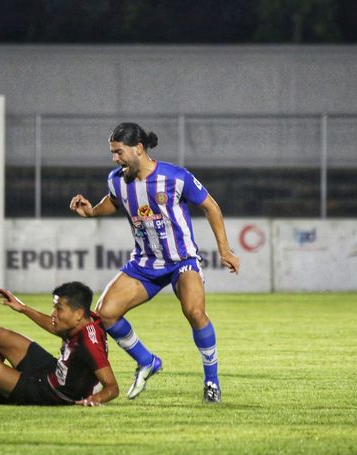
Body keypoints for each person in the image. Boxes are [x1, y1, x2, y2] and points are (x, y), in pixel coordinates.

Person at [69, 122, 240, 403]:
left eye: (119, 152)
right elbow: (113, 202)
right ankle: (147, 361)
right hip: (145, 264)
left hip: (181, 260)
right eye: (112, 153)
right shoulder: (116, 179)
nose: (115, 158)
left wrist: (225, 250)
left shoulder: (175, 177)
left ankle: (211, 381)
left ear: (138, 149)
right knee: (105, 313)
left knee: (195, 312)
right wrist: (92, 212)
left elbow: (210, 205)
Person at [0, 282, 119, 406]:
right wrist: (24, 308)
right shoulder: (87, 319)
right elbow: (54, 327)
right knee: (1, 335)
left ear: (78, 314)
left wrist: (92, 400)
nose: (53, 314)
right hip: (55, 372)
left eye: (59, 309)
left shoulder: (89, 342)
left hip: (50, 393)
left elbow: (112, 387)